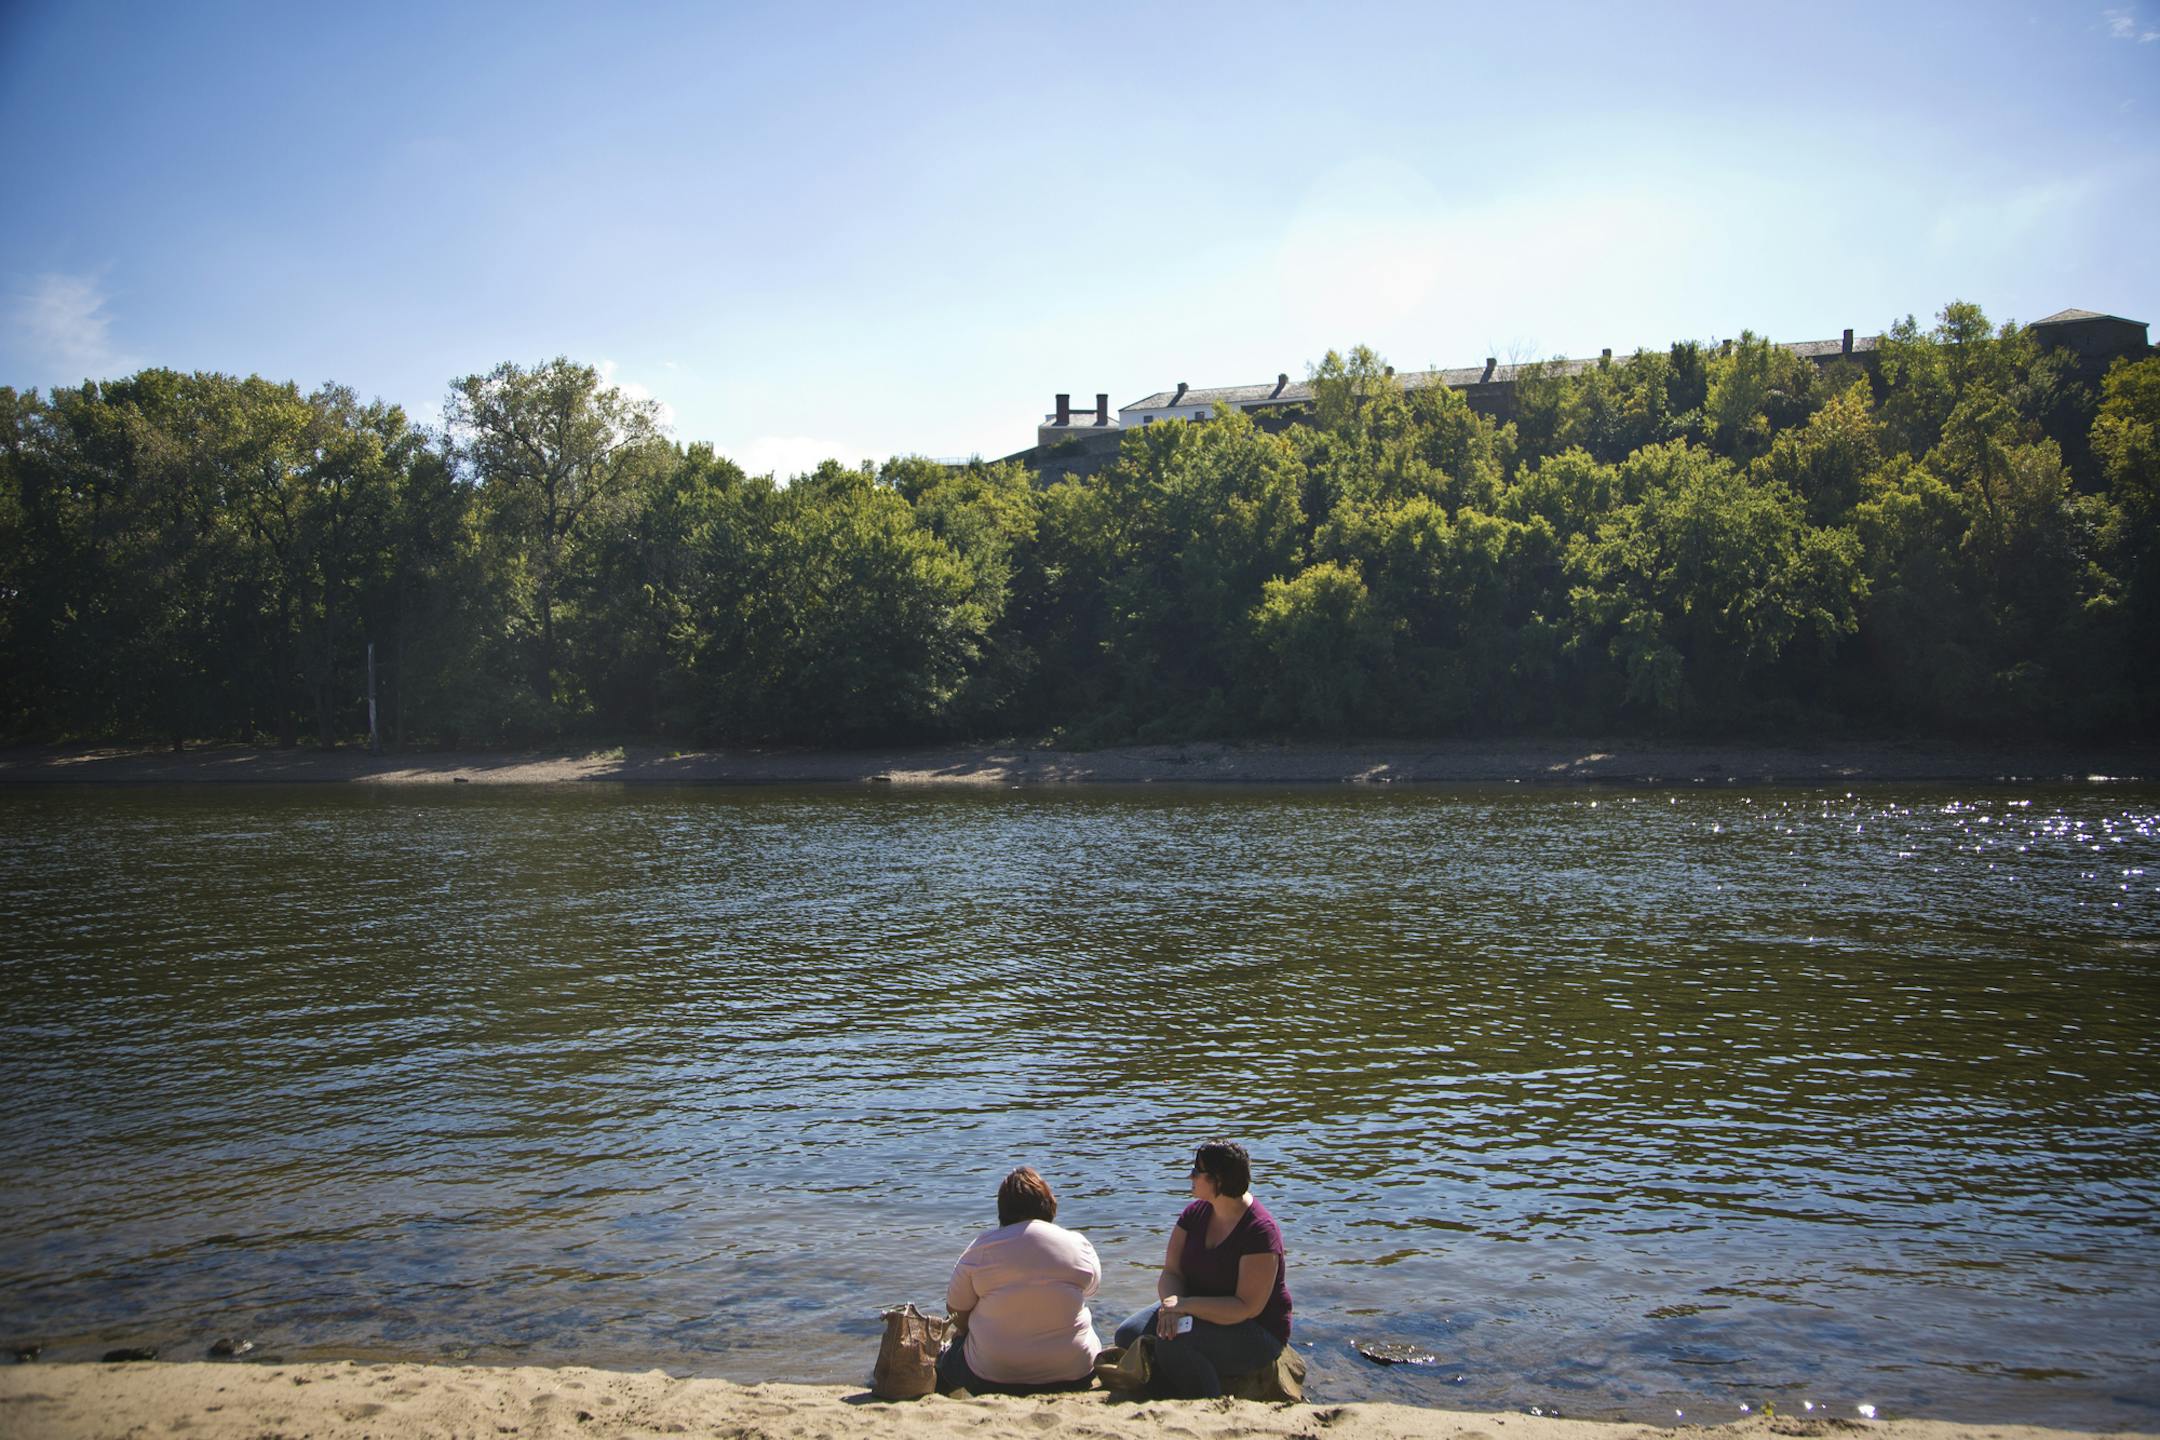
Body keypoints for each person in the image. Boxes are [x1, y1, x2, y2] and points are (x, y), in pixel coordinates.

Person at [1112, 1139, 1292, 1399]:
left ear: (1218, 1179)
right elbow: (1172, 1272)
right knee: (1127, 1334)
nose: (1190, 1176)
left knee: (1172, 1343)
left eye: (1197, 1171)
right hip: (1195, 1310)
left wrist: (1184, 1306)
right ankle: (1175, 1376)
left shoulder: (1259, 1232)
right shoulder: (1194, 1214)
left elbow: (1245, 1307)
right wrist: (1171, 1305)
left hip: (1255, 1330)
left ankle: (1208, 1401)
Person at [938, 1166, 1103, 1396]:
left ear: (1002, 1211)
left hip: (991, 1376)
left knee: (948, 1358)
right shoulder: (1078, 1245)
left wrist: (968, 1331)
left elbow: (956, 1309)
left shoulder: (979, 1249)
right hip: (1074, 1373)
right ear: (1049, 1205)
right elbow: (1091, 1289)